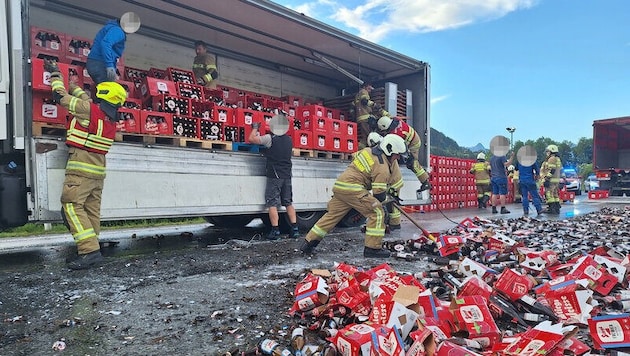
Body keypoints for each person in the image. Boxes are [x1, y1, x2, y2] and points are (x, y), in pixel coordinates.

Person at [44, 60, 127, 269]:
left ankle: (89, 251)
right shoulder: (108, 120)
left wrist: (55, 75)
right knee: (91, 210)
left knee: (71, 206)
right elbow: (84, 101)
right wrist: (75, 86)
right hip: (98, 172)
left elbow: (60, 97)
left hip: (80, 169)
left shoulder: (88, 111)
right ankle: (92, 248)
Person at [298, 134, 406, 258]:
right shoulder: (382, 167)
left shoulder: (367, 151)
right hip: (354, 189)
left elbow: (356, 158)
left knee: (331, 217)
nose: (397, 158)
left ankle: (308, 244)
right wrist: (390, 198)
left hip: (341, 186)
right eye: (397, 155)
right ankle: (372, 248)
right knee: (377, 212)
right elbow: (379, 196)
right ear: (389, 150)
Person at [248, 115, 300, 240]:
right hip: (287, 175)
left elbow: (251, 139)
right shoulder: (289, 140)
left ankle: (275, 231)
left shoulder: (269, 139)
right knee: (288, 202)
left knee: (272, 203)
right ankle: (295, 229)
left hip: (275, 175)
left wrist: (255, 128)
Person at [376, 116, 431, 193]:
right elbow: (388, 115)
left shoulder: (395, 134)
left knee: (412, 163)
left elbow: (397, 145)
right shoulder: (396, 120)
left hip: (413, 143)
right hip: (414, 137)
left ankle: (425, 182)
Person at [86, 12, 140, 84]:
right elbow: (105, 44)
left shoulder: (111, 27)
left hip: (94, 62)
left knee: (102, 90)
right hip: (100, 63)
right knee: (108, 92)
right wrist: (109, 65)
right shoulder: (118, 31)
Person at [539, 144, 562, 214]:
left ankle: (551, 208)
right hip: (556, 180)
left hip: (551, 180)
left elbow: (552, 169)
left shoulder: (551, 159)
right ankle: (556, 207)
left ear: (551, 151)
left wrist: (547, 179)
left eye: (548, 151)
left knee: (549, 194)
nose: (547, 153)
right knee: (555, 194)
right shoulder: (557, 159)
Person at [351, 82, 375, 149]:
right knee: (370, 136)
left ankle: (359, 150)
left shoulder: (357, 95)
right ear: (365, 87)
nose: (370, 90)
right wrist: (374, 105)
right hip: (365, 118)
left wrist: (354, 117)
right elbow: (364, 101)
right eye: (369, 88)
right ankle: (373, 151)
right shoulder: (363, 91)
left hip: (360, 118)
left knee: (364, 137)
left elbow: (352, 106)